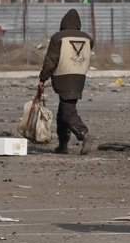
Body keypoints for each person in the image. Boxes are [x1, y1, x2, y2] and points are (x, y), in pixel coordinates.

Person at [37, 9, 93, 155]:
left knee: (68, 110)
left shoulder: (58, 37)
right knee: (63, 109)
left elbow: (51, 61)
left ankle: (83, 133)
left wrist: (43, 78)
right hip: (80, 76)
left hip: (63, 76)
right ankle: (62, 145)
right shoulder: (88, 38)